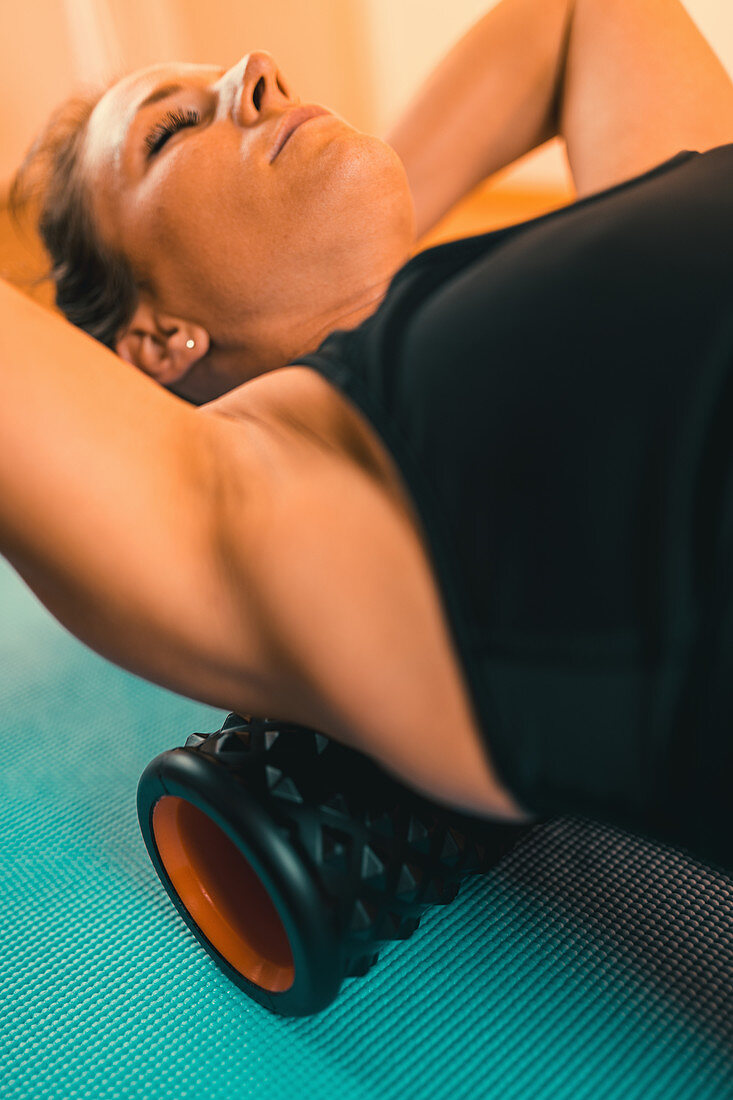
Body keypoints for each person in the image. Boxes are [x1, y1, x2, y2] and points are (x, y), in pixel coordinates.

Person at [3, 0, 733, 869]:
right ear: (159, 340)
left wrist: (341, 218)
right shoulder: (262, 489)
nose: (259, 69)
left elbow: (591, 18)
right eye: (171, 128)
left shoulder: (591, 247)